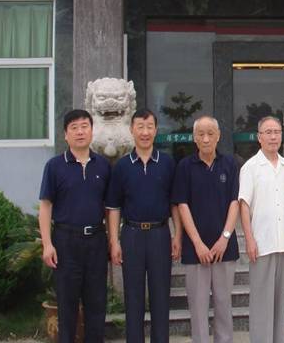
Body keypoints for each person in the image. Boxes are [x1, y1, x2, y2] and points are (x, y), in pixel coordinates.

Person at [106, 108, 182, 343]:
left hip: (160, 234)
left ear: (156, 130)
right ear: (132, 130)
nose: (145, 132)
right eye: (140, 127)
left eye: (149, 127)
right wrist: (114, 241)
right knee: (133, 298)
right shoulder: (122, 166)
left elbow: (175, 204)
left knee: (161, 298)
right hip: (132, 235)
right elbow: (113, 207)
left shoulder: (167, 163)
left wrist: (177, 236)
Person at [38, 109, 111, 343]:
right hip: (66, 243)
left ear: (92, 130)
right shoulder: (54, 166)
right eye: (74, 128)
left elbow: (110, 208)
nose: (80, 132)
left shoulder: (103, 166)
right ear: (65, 135)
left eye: (84, 126)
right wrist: (47, 244)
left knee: (97, 304)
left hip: (96, 242)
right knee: (67, 306)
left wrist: (113, 240)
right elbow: (46, 206)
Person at [172, 116, 239, 343]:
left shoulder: (230, 164)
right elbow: (182, 205)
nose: (206, 138)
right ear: (194, 138)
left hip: (225, 248)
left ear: (218, 136)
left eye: (210, 133)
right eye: (201, 134)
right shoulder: (185, 166)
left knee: (224, 305)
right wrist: (198, 243)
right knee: (198, 307)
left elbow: (235, 202)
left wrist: (225, 238)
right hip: (195, 250)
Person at [238, 116, 284, 343]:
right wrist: (249, 239)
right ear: (259, 137)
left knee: (280, 303)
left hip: (283, 243)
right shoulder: (250, 167)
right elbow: (244, 205)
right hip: (262, 244)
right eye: (268, 132)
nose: (273, 137)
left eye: (277, 132)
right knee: (261, 304)